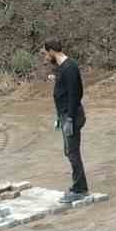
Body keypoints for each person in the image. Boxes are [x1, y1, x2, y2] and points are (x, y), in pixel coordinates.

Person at [43, 39, 88, 202]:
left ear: (51, 51)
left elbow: (76, 94)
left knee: (73, 152)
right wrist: (59, 117)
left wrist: (69, 118)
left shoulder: (69, 67)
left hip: (72, 116)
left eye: (46, 54)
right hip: (65, 115)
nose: (46, 58)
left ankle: (80, 189)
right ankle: (78, 186)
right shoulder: (62, 68)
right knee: (69, 152)